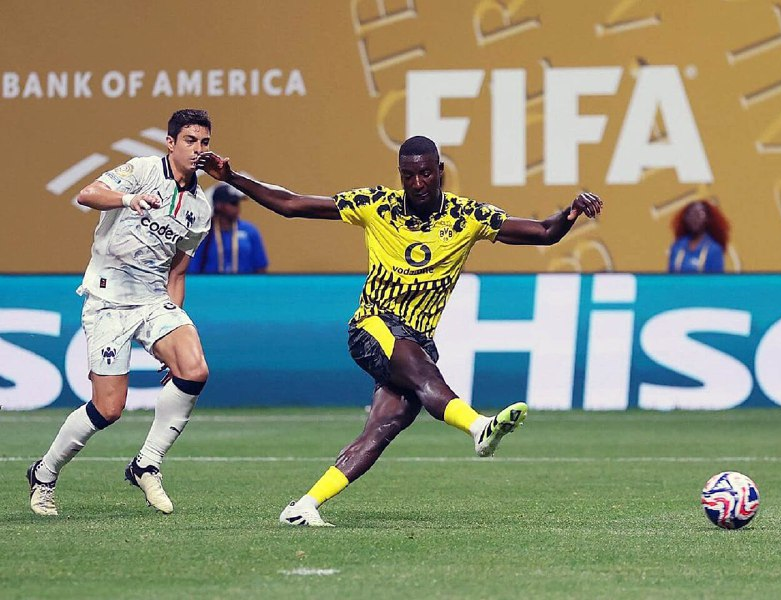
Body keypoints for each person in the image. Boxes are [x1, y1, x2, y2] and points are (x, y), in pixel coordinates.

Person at [197, 136, 603, 527]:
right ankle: (479, 427)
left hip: (417, 339)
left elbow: (543, 232)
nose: (417, 183)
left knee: (382, 428)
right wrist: (231, 177)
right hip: (373, 326)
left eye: (425, 174)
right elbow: (291, 204)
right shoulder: (376, 205)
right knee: (424, 374)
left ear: (440, 171)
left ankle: (304, 506)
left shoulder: (467, 217)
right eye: (408, 176)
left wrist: (570, 212)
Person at [27, 109, 214, 516]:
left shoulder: (200, 209)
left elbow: (177, 272)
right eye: (190, 141)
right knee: (108, 409)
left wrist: (171, 331)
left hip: (153, 300)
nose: (198, 149)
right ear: (171, 143)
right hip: (108, 300)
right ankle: (44, 472)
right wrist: (129, 199)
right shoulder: (142, 170)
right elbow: (87, 194)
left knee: (194, 369)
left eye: (204, 142)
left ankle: (147, 464)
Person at [188, 183, 269, 274]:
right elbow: (193, 269)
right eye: (233, 203)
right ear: (219, 205)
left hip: (244, 282)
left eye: (237, 203)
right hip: (211, 282)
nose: (237, 207)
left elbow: (261, 268)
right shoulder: (203, 233)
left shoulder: (250, 231)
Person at [668, 200, 729, 273]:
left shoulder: (714, 250)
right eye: (691, 215)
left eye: (699, 215)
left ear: (707, 219)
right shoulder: (677, 247)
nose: (695, 219)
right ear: (685, 219)